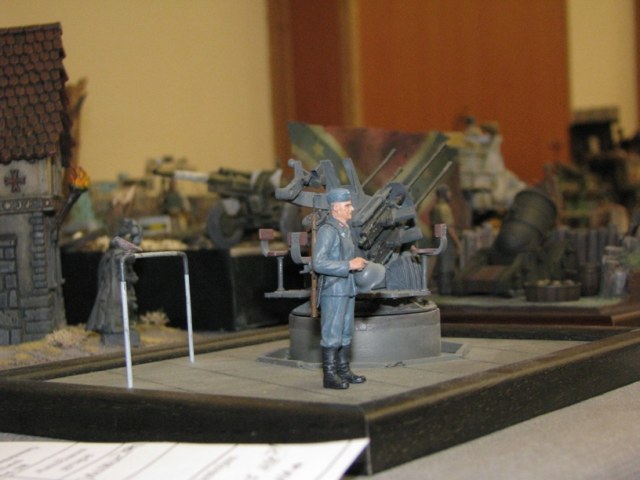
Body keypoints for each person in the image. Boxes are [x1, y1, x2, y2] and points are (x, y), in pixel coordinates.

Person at [313, 187, 368, 389]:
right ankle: (329, 375)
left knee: (345, 331)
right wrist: (349, 265)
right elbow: (318, 263)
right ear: (335, 208)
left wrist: (355, 263)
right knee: (332, 333)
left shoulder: (344, 229)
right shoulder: (328, 231)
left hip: (347, 288)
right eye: (347, 205)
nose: (351, 209)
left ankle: (343, 370)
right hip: (334, 290)